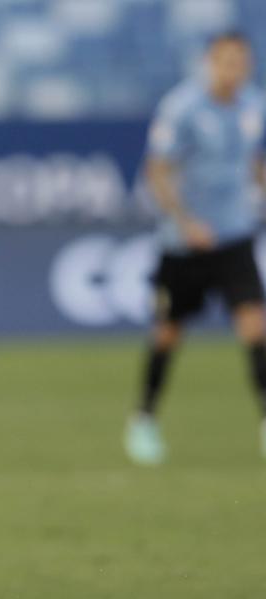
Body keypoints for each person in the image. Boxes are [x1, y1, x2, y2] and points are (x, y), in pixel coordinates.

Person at [126, 31, 266, 465]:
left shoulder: (255, 106)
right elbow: (158, 170)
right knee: (168, 334)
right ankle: (144, 418)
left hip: (234, 236)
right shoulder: (181, 108)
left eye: (240, 62)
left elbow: (255, 161)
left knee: (255, 327)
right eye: (225, 62)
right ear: (210, 62)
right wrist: (185, 222)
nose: (233, 71)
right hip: (185, 244)